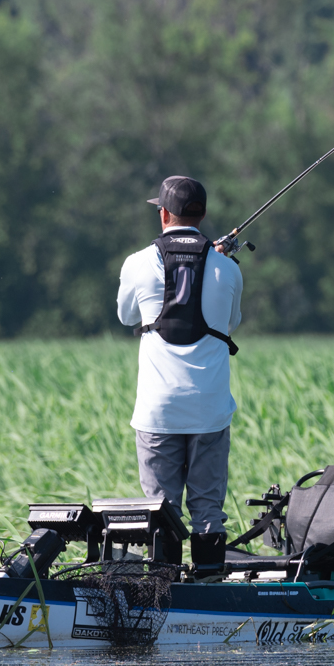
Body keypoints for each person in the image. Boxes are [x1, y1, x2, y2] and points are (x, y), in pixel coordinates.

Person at [116, 176, 243, 568]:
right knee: (208, 510)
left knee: (161, 510)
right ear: (202, 215)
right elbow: (232, 322)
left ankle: (163, 589)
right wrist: (216, 262)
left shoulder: (136, 263)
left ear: (163, 214)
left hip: (157, 410)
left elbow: (126, 317)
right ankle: (209, 585)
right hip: (210, 408)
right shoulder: (228, 269)